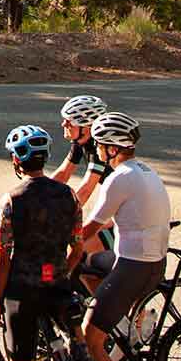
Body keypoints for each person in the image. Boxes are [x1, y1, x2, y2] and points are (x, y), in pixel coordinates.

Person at [0, 125, 84, 361]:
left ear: (17, 160)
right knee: (78, 340)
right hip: (58, 283)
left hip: (23, 289)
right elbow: (77, 246)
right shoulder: (68, 195)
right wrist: (65, 272)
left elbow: (2, 256)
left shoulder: (11, 200)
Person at [78, 112, 172, 361]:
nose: (98, 152)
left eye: (100, 146)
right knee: (92, 262)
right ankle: (127, 326)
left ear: (111, 149)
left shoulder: (118, 178)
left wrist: (62, 245)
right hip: (150, 263)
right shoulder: (144, 171)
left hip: (132, 266)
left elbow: (89, 227)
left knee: (90, 336)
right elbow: (106, 223)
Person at [51, 94, 115, 256]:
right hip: (117, 209)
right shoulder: (81, 141)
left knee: (77, 253)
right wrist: (35, 192)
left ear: (86, 128)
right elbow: (63, 173)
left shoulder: (100, 148)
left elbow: (86, 189)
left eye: (69, 121)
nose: (63, 123)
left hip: (131, 217)